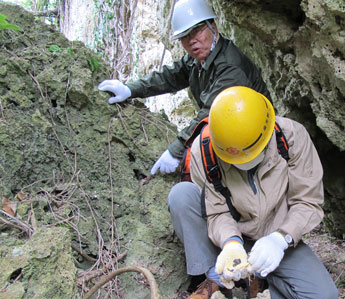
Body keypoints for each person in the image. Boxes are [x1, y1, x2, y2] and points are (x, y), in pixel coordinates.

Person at [168, 86, 338, 299]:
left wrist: (280, 239)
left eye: (250, 152)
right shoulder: (204, 151)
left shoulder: (291, 137)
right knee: (181, 195)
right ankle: (214, 278)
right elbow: (216, 212)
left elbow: (307, 201)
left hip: (276, 238)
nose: (241, 161)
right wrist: (231, 243)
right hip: (230, 238)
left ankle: (255, 284)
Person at [97, 0, 271, 175]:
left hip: (257, 141)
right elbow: (170, 76)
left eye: (197, 31)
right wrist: (130, 89)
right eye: (185, 37)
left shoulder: (230, 67)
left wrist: (176, 151)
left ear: (213, 27)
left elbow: (210, 114)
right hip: (231, 136)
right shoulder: (201, 58)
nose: (192, 41)